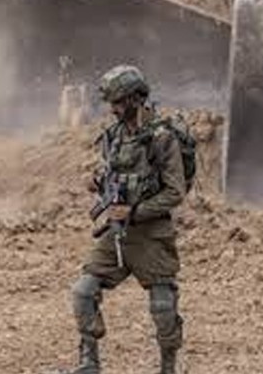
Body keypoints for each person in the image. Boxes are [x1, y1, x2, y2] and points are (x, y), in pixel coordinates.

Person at [60, 64, 188, 374]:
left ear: (133, 99)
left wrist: (135, 211)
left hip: (151, 233)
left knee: (162, 307)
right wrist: (98, 182)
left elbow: (175, 193)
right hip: (116, 232)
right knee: (83, 292)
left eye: (117, 103)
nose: (113, 109)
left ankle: (168, 368)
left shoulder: (162, 137)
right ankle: (89, 363)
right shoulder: (115, 135)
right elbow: (113, 173)